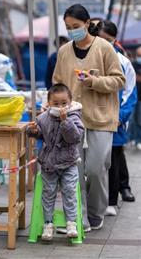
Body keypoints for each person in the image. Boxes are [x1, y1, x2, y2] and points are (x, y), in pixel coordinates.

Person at [53, 4, 125, 231]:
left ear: (87, 24)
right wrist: (54, 105)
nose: (72, 30)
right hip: (71, 120)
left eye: (76, 26)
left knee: (95, 169)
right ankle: (78, 219)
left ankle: (96, 214)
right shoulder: (64, 51)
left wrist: (94, 81)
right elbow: (57, 82)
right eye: (68, 27)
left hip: (101, 118)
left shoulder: (104, 48)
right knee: (73, 171)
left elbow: (119, 80)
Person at [90, 18, 137, 215]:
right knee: (95, 163)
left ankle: (111, 201)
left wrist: (120, 117)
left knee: (113, 162)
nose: (104, 42)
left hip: (115, 121)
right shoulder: (89, 58)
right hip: (91, 118)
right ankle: (92, 201)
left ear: (114, 39)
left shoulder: (123, 62)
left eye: (108, 39)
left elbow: (130, 94)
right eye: (101, 38)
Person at [27, 83, 84, 240]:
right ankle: (47, 223)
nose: (60, 107)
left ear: (70, 102)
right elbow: (40, 134)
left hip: (69, 163)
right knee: (48, 193)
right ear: (49, 103)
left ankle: (71, 222)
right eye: (56, 103)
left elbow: (75, 137)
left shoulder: (74, 116)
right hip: (49, 164)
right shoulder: (44, 117)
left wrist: (65, 122)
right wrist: (33, 131)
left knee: (69, 191)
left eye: (64, 103)